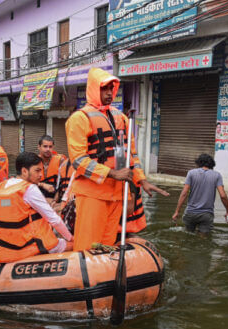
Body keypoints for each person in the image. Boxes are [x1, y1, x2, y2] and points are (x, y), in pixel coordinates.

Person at [65, 67, 168, 251]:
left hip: (116, 194)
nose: (109, 93)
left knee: (108, 244)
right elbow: (78, 161)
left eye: (111, 88)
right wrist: (112, 173)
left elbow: (131, 155)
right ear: (94, 89)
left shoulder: (122, 118)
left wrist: (141, 180)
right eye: (104, 88)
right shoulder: (79, 119)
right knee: (88, 245)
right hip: (92, 194)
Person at [0, 152, 73, 263]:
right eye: (37, 171)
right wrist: (70, 238)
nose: (41, 175)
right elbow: (54, 219)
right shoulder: (29, 189)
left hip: (2, 250)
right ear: (24, 171)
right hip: (30, 246)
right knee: (73, 244)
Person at [171, 153, 228, 234]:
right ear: (211, 164)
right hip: (207, 214)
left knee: (188, 235)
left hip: (191, 212)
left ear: (199, 162)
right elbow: (223, 195)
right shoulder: (217, 175)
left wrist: (177, 211)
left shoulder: (191, 173)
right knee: (204, 238)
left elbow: (184, 193)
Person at [35, 135, 67, 200]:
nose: (48, 149)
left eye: (50, 147)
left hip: (56, 195)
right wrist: (42, 185)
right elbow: (26, 182)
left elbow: (65, 183)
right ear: (39, 147)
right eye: (45, 146)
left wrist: (56, 199)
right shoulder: (33, 161)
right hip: (37, 196)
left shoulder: (61, 161)